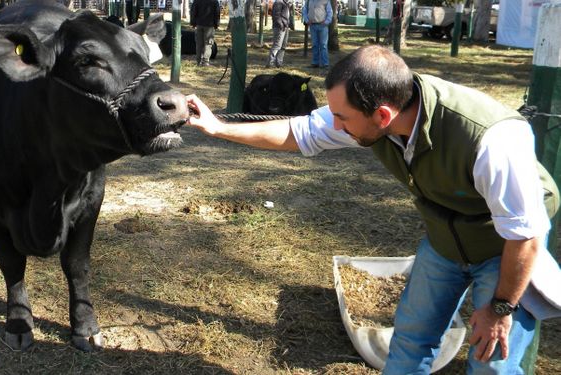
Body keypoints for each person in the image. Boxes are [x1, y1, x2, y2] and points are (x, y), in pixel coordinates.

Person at [186, 45, 561, 374]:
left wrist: (499, 309)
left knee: (492, 360)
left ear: (382, 116)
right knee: (410, 340)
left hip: (506, 246)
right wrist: (218, 128)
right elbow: (298, 132)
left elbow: (525, 235)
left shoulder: (492, 140)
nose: (333, 126)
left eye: (342, 119)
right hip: (446, 239)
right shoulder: (379, 109)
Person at [302, 0, 333, 68]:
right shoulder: (308, 1)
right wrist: (307, 20)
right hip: (312, 25)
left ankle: (325, 63)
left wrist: (326, 22)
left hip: (323, 26)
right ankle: (315, 63)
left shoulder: (326, 1)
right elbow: (304, 11)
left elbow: (330, 12)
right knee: (315, 45)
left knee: (323, 45)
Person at [190, 0, 220, 67]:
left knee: (199, 44)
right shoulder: (214, 1)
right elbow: (217, 13)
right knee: (208, 44)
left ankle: (198, 61)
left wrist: (193, 22)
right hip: (210, 25)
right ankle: (205, 62)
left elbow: (193, 11)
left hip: (199, 24)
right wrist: (216, 24)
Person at [266, 0, 291, 68]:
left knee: (283, 46)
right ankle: (270, 62)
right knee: (277, 45)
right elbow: (276, 16)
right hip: (279, 27)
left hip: (285, 26)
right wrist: (281, 25)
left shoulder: (285, 2)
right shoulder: (278, 2)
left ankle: (279, 62)